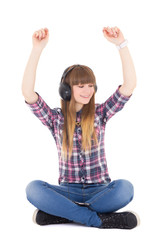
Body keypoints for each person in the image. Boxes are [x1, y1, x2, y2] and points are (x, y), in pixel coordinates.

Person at [22, 26, 140, 229]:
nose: (87, 90)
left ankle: (66, 214)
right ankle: (97, 220)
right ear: (66, 90)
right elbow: (28, 93)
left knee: (125, 188)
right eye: (80, 86)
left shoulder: (100, 114)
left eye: (90, 85)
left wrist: (121, 45)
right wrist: (37, 49)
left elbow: (129, 86)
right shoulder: (55, 119)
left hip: (100, 191)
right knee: (33, 189)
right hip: (67, 191)